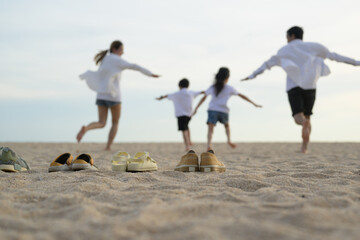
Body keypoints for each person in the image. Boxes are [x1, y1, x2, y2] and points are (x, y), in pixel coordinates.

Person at [242, 26, 360, 153]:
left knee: (298, 117)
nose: (286, 40)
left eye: (287, 37)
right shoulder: (314, 47)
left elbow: (266, 64)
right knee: (308, 116)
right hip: (311, 86)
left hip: (294, 86)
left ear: (292, 35)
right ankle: (304, 147)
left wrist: (252, 75)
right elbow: (335, 56)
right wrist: (356, 62)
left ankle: (303, 124)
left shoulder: (284, 50)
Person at [77, 40, 160, 150]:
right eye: (121, 50)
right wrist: (150, 74)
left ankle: (86, 128)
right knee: (115, 123)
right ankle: (108, 146)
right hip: (114, 96)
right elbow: (135, 66)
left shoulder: (104, 59)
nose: (123, 53)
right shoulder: (117, 60)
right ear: (115, 49)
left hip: (101, 94)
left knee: (101, 122)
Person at [193, 67, 262, 150]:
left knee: (210, 128)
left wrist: (196, 108)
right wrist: (254, 103)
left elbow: (203, 98)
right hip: (223, 111)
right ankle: (229, 140)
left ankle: (209, 145)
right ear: (227, 78)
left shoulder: (213, 87)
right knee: (227, 125)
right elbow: (242, 96)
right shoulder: (229, 88)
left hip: (212, 109)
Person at [156, 79, 203, 151]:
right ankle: (189, 141)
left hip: (180, 114)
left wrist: (160, 98)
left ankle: (187, 145)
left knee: (184, 130)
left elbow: (166, 95)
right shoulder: (191, 92)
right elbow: (201, 92)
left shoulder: (176, 94)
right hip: (189, 114)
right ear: (188, 85)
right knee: (186, 127)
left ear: (179, 86)